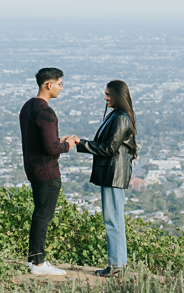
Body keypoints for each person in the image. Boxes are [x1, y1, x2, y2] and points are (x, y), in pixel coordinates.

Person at [19, 67, 80, 276]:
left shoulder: (28, 107)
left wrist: (57, 141)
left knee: (39, 214)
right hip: (47, 172)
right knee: (43, 216)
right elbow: (51, 148)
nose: (61, 88)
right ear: (49, 84)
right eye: (60, 84)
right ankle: (38, 263)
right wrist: (67, 145)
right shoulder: (45, 111)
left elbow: (40, 141)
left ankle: (34, 260)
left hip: (33, 169)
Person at [75, 80, 137, 277]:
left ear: (118, 95)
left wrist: (81, 144)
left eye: (108, 95)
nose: (105, 98)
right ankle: (118, 262)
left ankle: (116, 264)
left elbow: (109, 149)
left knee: (113, 219)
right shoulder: (117, 116)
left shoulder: (121, 118)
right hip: (112, 175)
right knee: (114, 218)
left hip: (114, 176)